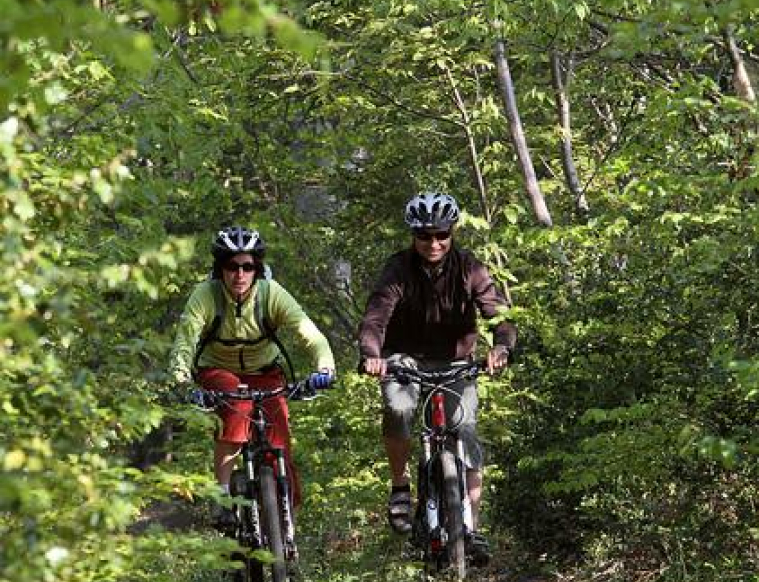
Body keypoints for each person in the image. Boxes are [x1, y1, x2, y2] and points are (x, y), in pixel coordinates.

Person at [358, 192, 516, 564]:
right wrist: (372, 356)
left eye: (441, 235)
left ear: (452, 232)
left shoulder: (469, 267)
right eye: (425, 236)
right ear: (414, 235)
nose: (434, 243)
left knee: (466, 431)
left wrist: (501, 348)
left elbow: (497, 315)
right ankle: (400, 486)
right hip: (405, 359)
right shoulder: (398, 269)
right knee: (399, 406)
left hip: (456, 361)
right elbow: (375, 317)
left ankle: (471, 528)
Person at [170, 226, 335, 524]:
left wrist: (324, 367)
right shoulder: (205, 296)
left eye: (248, 267)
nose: (240, 274)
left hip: (265, 371)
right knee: (238, 407)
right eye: (232, 266)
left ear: (257, 269)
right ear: (220, 269)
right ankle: (221, 496)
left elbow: (309, 333)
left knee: (280, 439)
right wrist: (182, 380)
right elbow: (185, 340)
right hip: (218, 370)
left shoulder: (271, 294)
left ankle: (286, 522)